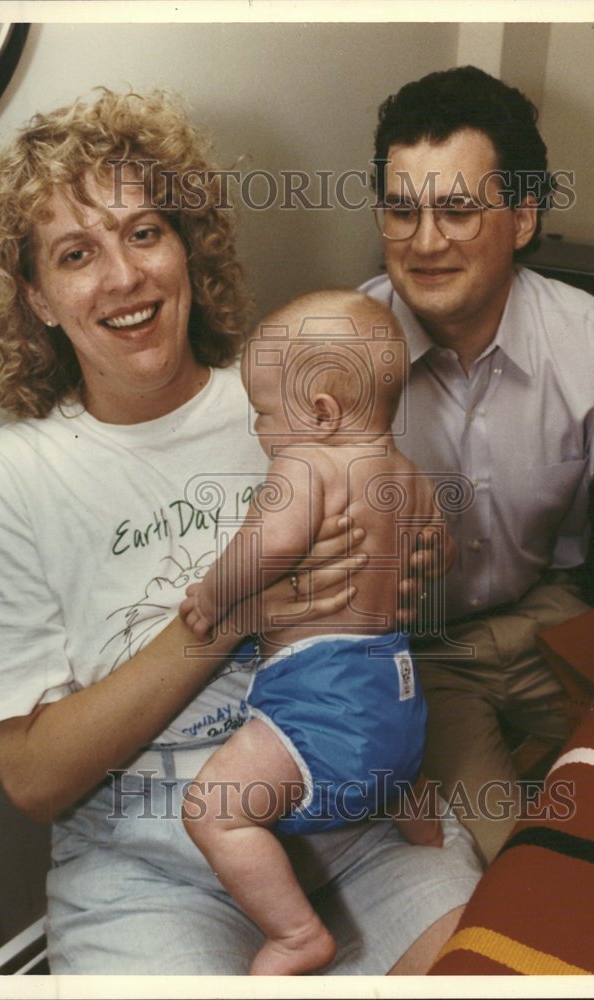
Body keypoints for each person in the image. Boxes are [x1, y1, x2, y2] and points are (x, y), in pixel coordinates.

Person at [0, 89, 482, 976]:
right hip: (152, 872)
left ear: (189, 248)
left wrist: (417, 559)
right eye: (76, 254)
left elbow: (404, 551)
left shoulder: (291, 394)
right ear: (38, 299)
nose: (122, 277)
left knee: (501, 967)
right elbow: (35, 782)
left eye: (144, 233)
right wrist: (229, 618)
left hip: (361, 821)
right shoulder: (9, 480)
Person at [360, 65, 594, 862]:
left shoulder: (589, 337)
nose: (425, 242)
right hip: (422, 653)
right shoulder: (342, 353)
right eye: (402, 211)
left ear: (521, 217)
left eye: (456, 210)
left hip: (556, 612)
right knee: (519, 863)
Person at [178, 289, 445, 975]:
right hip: (400, 695)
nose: (262, 431)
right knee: (402, 783)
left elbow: (267, 545)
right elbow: (432, 553)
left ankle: (297, 934)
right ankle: (432, 855)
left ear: (321, 413)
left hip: (324, 699)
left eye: (264, 413)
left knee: (214, 811)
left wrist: (214, 594)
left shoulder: (306, 464)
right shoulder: (409, 478)